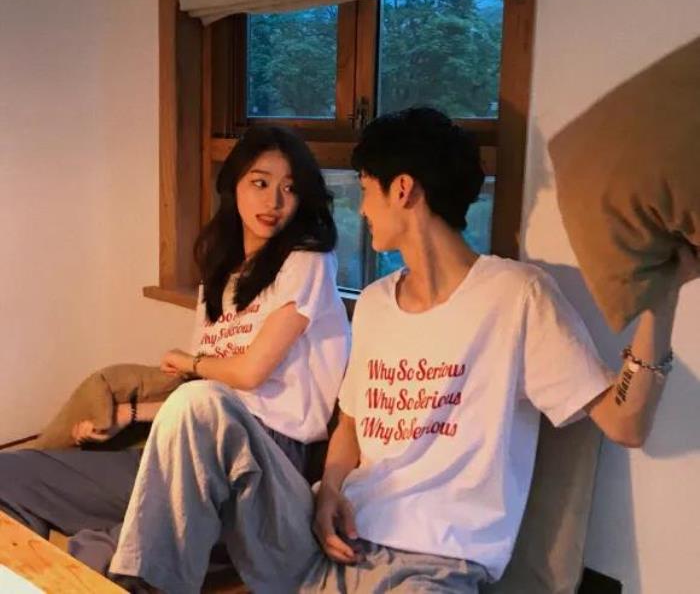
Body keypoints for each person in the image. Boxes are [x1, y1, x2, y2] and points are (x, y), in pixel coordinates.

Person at [112, 107, 699, 593]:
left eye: (366, 191)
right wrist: (330, 490)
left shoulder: (517, 296)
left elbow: (624, 422)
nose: (361, 210)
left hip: (428, 571)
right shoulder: (374, 302)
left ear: (403, 189)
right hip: (322, 547)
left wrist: (661, 299)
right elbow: (350, 424)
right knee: (198, 406)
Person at [0, 125, 350, 581]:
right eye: (260, 183)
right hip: (184, 443)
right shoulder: (221, 280)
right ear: (234, 185)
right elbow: (203, 396)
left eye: (290, 188)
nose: (274, 201)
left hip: (264, 464)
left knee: (111, 556)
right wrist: (128, 414)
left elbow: (247, 375)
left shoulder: (308, 262)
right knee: (11, 476)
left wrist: (188, 361)